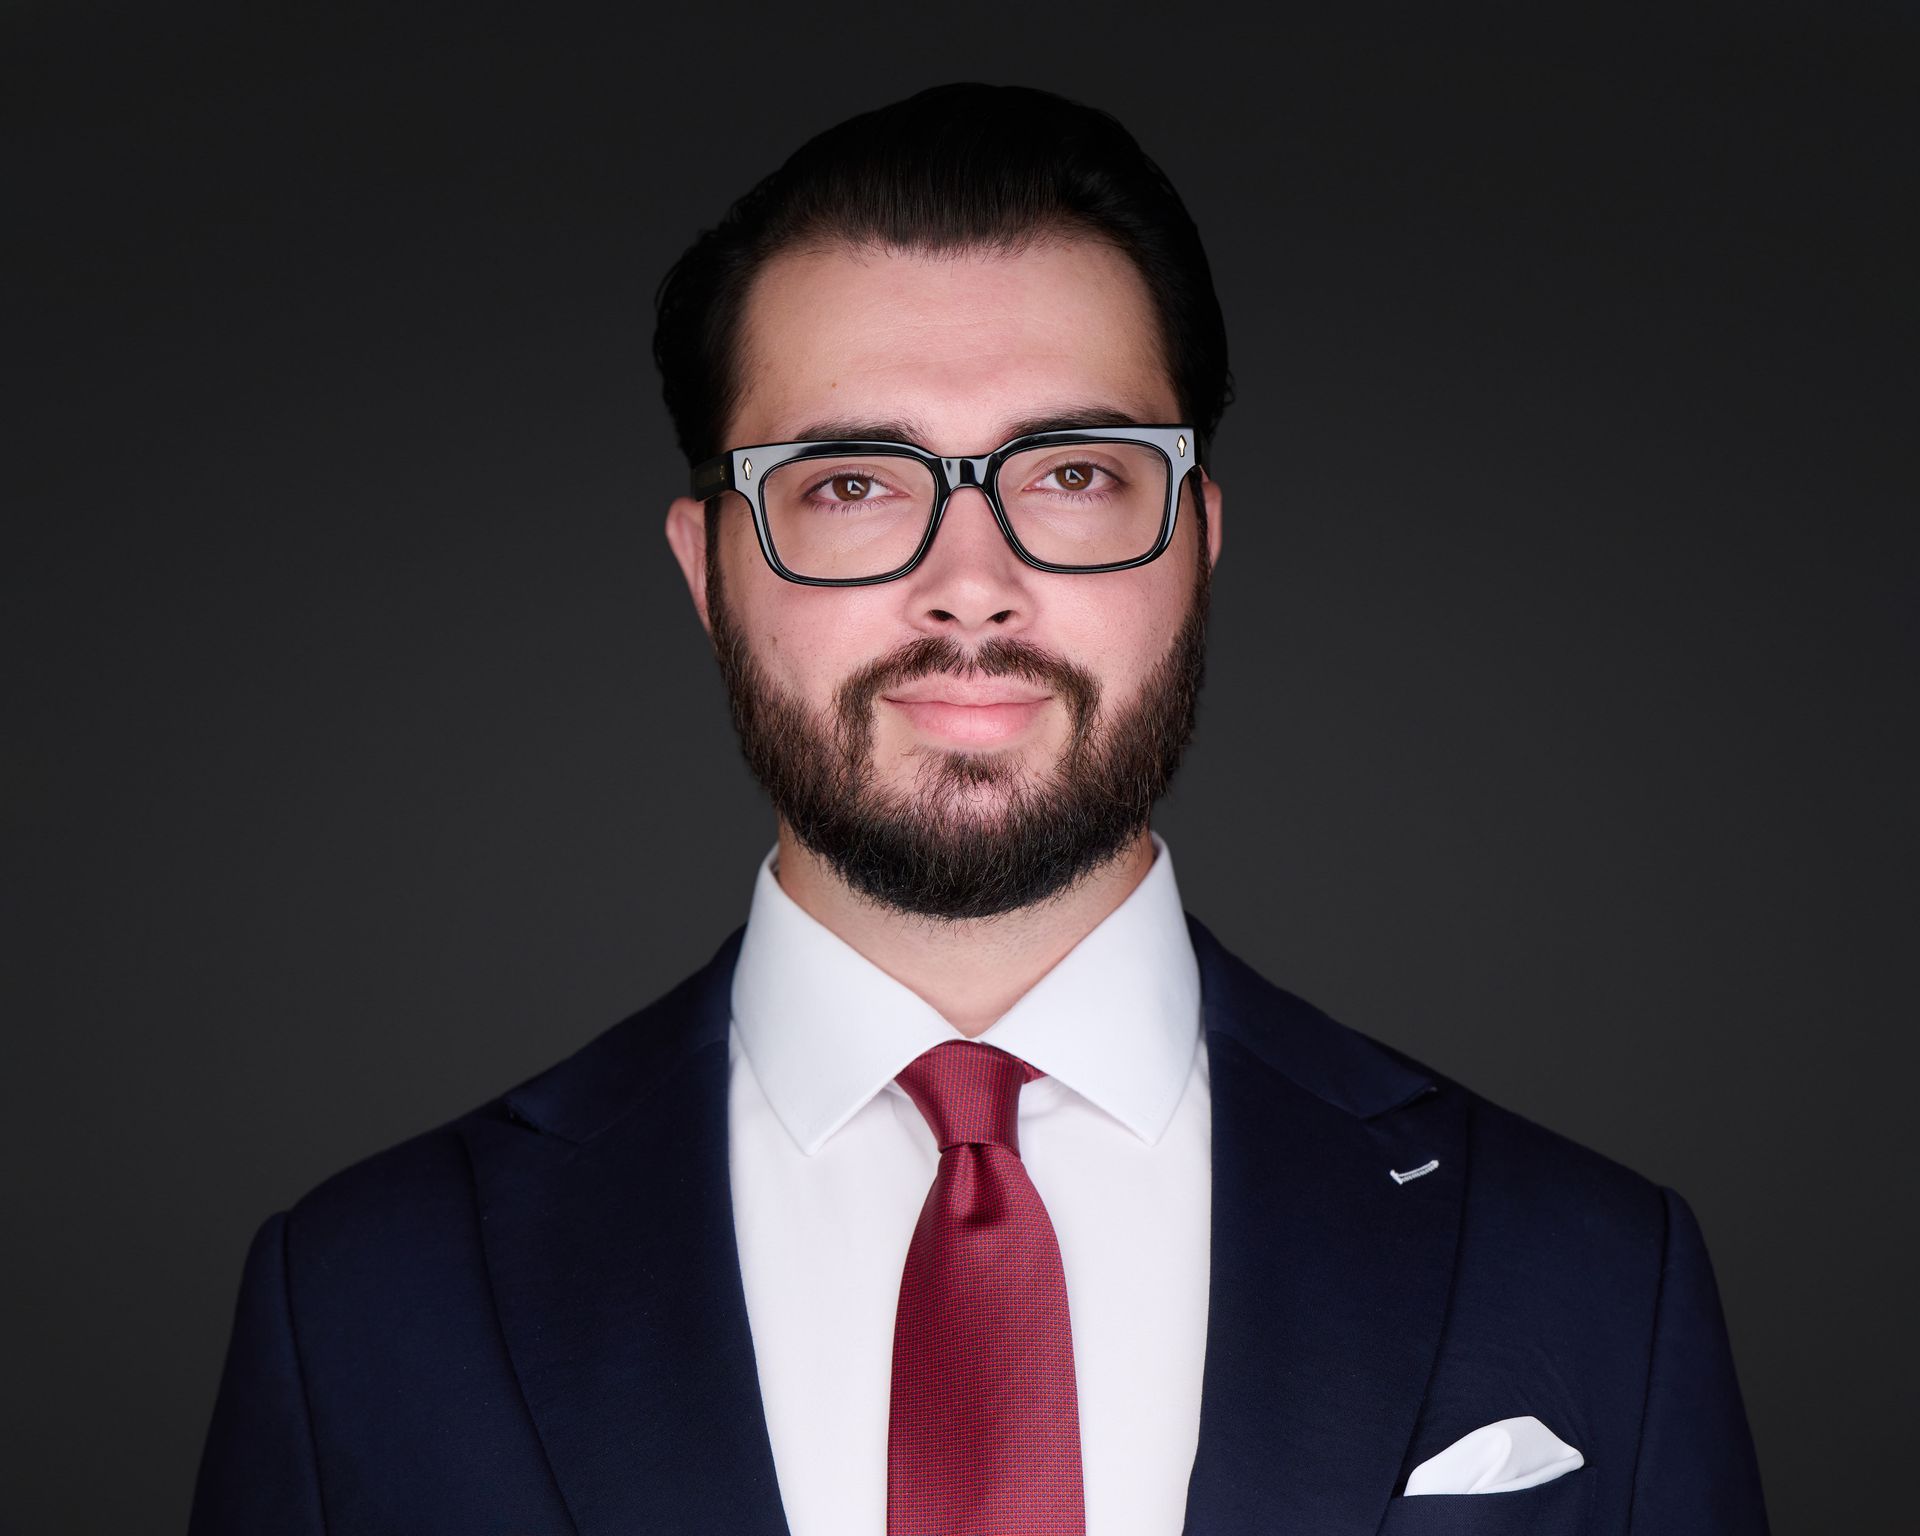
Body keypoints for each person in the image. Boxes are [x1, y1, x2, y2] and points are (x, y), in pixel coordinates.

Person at [189, 83, 1768, 1536]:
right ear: (706, 568)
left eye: (1075, 473)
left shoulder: (1592, 1273)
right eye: (855, 482)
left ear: (1197, 541)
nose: (971, 587)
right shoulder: (361, 1304)